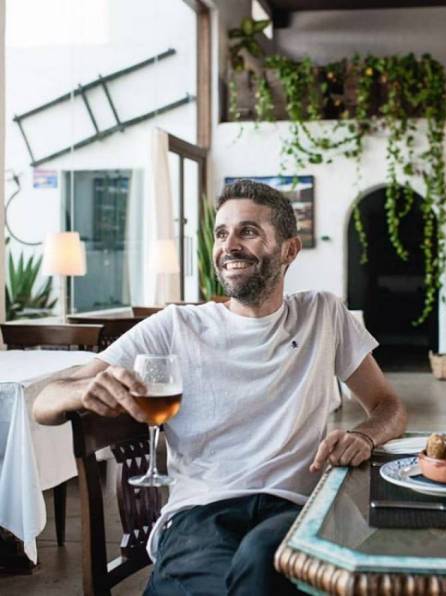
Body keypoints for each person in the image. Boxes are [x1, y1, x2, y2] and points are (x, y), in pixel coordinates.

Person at [33, 179, 407, 596]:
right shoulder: (176, 325)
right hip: (200, 515)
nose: (229, 245)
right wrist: (82, 392)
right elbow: (44, 404)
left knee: (263, 560)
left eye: (248, 231)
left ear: (289, 250)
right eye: (222, 233)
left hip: (295, 510)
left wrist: (364, 435)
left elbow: (388, 405)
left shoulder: (323, 313)